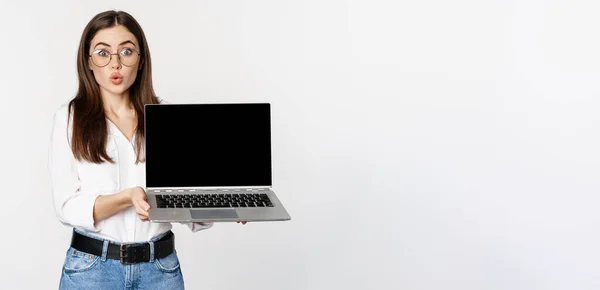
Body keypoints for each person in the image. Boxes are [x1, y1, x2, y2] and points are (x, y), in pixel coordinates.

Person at [48, 10, 245, 289]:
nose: (115, 64)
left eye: (126, 52)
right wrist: (127, 198)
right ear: (88, 62)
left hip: (159, 270)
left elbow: (182, 201)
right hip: (92, 270)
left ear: (140, 61)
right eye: (103, 53)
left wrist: (228, 206)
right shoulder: (69, 118)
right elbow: (66, 207)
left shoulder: (165, 119)